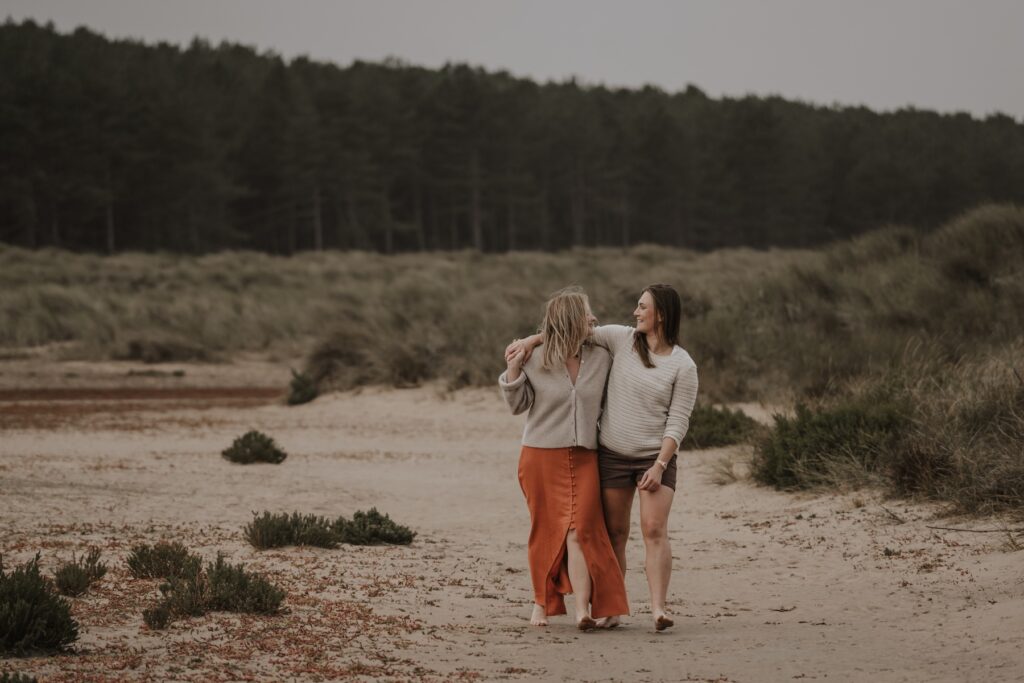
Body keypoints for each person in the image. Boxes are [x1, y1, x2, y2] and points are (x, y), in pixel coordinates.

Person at [506, 284, 698, 631]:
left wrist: (660, 464)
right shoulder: (613, 342)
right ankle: (574, 605)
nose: (635, 312)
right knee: (588, 532)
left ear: (662, 315)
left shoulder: (661, 361)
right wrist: (526, 350)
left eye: (642, 307)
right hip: (578, 455)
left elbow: (678, 418)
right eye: (637, 306)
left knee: (624, 531)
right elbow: (560, 334)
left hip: (623, 458)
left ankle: (633, 608)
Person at [499, 287, 630, 630]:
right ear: (571, 319)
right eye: (586, 313)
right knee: (546, 531)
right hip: (540, 455)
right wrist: (514, 370)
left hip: (585, 455)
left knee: (583, 530)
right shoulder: (536, 359)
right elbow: (516, 406)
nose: (593, 318)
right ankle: (541, 604)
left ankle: (583, 610)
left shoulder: (601, 356)